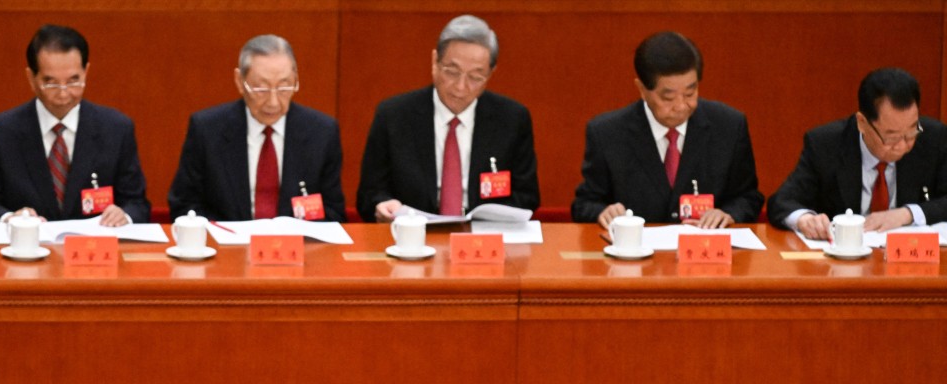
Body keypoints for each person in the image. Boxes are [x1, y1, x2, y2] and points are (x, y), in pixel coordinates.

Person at [356, 15, 539, 223]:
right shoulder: (394, 115)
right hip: (412, 240)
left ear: (490, 74)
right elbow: (369, 194)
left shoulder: (512, 119)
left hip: (483, 241)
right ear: (435, 61)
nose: (461, 87)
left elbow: (527, 197)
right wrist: (382, 205)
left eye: (475, 77)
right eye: (452, 72)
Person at [571, 31, 762, 229]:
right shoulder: (607, 133)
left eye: (690, 93)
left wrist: (729, 214)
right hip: (634, 254)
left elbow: (748, 197)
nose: (681, 106)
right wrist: (603, 212)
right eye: (668, 98)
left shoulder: (729, 126)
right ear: (642, 90)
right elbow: (584, 204)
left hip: (705, 252)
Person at [0, 24, 150, 225]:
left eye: (73, 81)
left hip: (93, 251)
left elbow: (137, 204)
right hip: (26, 250)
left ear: (86, 72)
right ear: (31, 78)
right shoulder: (0, 133)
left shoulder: (116, 129)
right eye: (51, 82)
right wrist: (11, 219)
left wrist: (124, 216)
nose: (63, 93)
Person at [167, 35, 346, 222]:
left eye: (284, 88)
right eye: (261, 89)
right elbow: (184, 205)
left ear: (296, 79)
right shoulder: (207, 130)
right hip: (227, 247)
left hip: (296, 248)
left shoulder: (322, 132)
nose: (273, 102)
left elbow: (333, 213)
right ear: (239, 81)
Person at [767, 68, 947, 240]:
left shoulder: (934, 138)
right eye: (891, 137)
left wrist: (907, 214)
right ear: (862, 122)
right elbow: (782, 201)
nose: (902, 145)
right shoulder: (826, 144)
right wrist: (805, 219)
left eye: (910, 132)